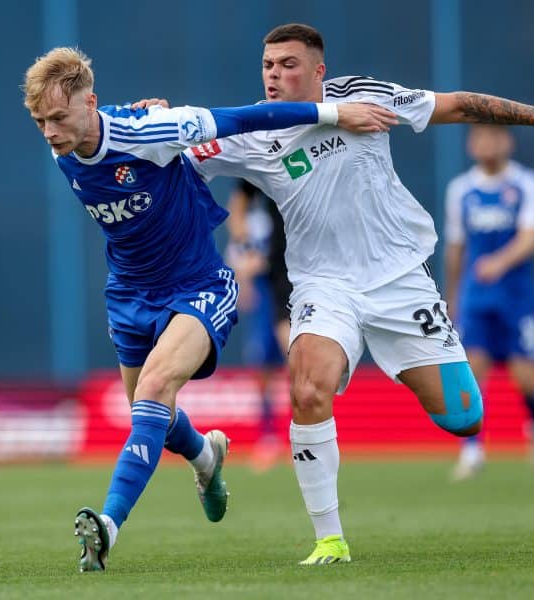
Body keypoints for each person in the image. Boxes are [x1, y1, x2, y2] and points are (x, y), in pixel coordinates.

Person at [170, 23, 534, 566]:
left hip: (400, 280)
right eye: (268, 66)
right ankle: (329, 540)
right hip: (324, 286)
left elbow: (459, 105)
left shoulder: (363, 96)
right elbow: (175, 150)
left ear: (318, 71)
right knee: (307, 388)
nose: (275, 76)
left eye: (288, 64)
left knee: (464, 415)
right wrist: (154, 119)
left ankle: (407, 365)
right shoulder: (253, 131)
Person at [20, 46, 398, 572]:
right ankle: (204, 457)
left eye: (58, 117)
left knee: (153, 390)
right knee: (151, 413)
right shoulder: (67, 147)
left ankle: (106, 526)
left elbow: (244, 118)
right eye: (39, 120)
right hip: (129, 294)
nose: (49, 131)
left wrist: (334, 113)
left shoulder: (153, 130)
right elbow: (101, 131)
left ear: (90, 103)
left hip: (198, 284)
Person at [444, 125, 534, 480]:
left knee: (526, 377)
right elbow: (456, 248)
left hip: (516, 297)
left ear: (508, 141)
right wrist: (452, 298)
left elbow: (532, 235)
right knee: (472, 374)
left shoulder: (526, 183)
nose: (486, 144)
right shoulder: (461, 189)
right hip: (477, 298)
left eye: (494, 137)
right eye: (480, 137)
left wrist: (500, 262)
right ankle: (472, 450)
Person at [224, 180, 292, 470]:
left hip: (286, 293)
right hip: (265, 301)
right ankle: (268, 437)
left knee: (296, 362)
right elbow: (240, 264)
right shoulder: (251, 222)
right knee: (263, 368)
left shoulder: (283, 215)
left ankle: (299, 435)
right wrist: (246, 279)